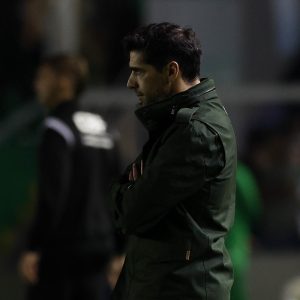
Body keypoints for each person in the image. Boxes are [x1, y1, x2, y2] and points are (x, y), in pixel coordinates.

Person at [110, 22, 237, 300]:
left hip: (182, 289)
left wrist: (127, 191)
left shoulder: (195, 131)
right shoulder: (178, 123)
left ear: (171, 71)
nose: (130, 83)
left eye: (139, 72)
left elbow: (132, 213)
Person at [19, 54, 120, 300]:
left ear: (64, 81)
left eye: (43, 78)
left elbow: (53, 195)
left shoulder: (57, 128)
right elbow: (120, 190)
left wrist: (34, 246)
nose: (37, 86)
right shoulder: (103, 128)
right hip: (100, 249)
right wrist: (120, 248)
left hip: (63, 252)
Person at [226, 161, 261, 300]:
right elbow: (255, 207)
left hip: (214, 247)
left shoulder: (207, 172)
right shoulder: (241, 174)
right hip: (236, 247)